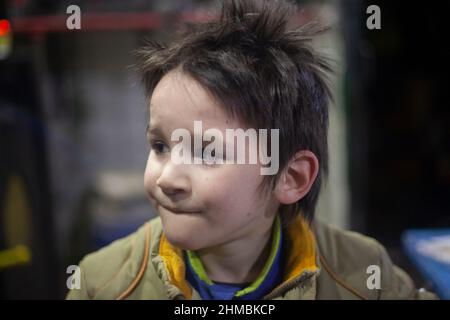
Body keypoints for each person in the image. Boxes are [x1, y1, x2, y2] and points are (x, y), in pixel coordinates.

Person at [67, 0, 436, 300]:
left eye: (208, 153)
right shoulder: (103, 285)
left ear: (291, 177)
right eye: (160, 146)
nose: (167, 178)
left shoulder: (366, 276)